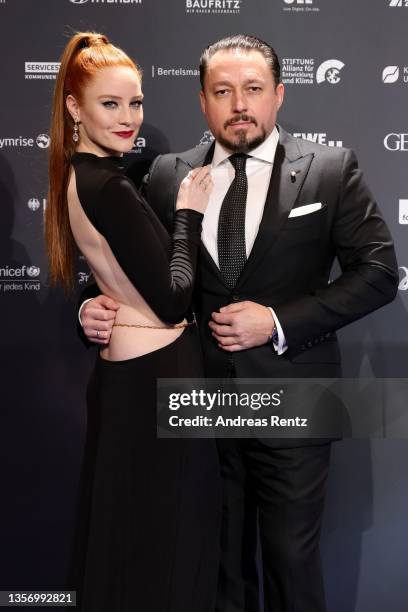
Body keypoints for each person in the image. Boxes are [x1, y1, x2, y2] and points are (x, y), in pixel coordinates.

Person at [80, 35, 399, 612]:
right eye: (222, 92)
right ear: (202, 101)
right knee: (213, 566)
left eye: (253, 89)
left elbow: (378, 272)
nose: (239, 104)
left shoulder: (330, 168)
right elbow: (131, 268)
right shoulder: (164, 175)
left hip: (295, 396)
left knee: (291, 566)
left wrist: (276, 320)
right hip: (195, 398)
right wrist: (90, 305)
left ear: (278, 94)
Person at [45, 31, 221, 612]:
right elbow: (173, 299)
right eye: (110, 104)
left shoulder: (77, 175)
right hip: (158, 380)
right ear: (75, 107)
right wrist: (188, 217)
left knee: (128, 544)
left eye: (136, 103)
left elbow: (116, 276)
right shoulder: (112, 185)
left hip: (127, 379)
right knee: (165, 550)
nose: (128, 119)